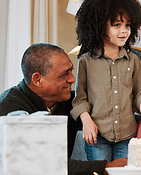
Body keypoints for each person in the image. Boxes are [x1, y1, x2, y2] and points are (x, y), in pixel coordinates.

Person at [71, 0, 141, 163]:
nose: (124, 31)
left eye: (127, 25)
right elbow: (79, 99)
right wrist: (86, 121)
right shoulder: (86, 62)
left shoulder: (133, 60)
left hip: (127, 136)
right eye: (117, 25)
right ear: (100, 25)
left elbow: (140, 91)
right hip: (97, 136)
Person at [0, 43, 112, 175]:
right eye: (64, 75)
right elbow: (41, 164)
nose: (72, 79)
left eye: (71, 70)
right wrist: (105, 167)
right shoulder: (8, 109)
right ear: (37, 79)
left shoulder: (71, 101)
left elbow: (106, 115)